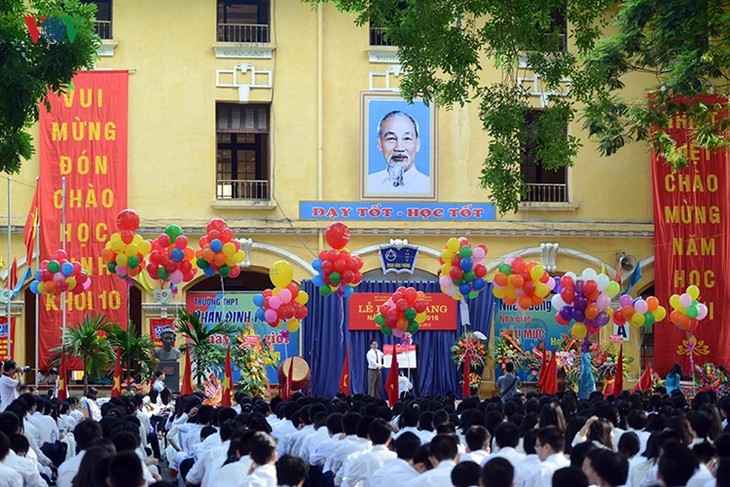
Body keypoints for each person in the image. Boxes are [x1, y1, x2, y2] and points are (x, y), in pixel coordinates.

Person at [366, 110, 431, 196]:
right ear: (380, 144)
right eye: (391, 139)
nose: (399, 148)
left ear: (417, 144)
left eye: (407, 138)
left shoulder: (428, 186)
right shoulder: (369, 184)